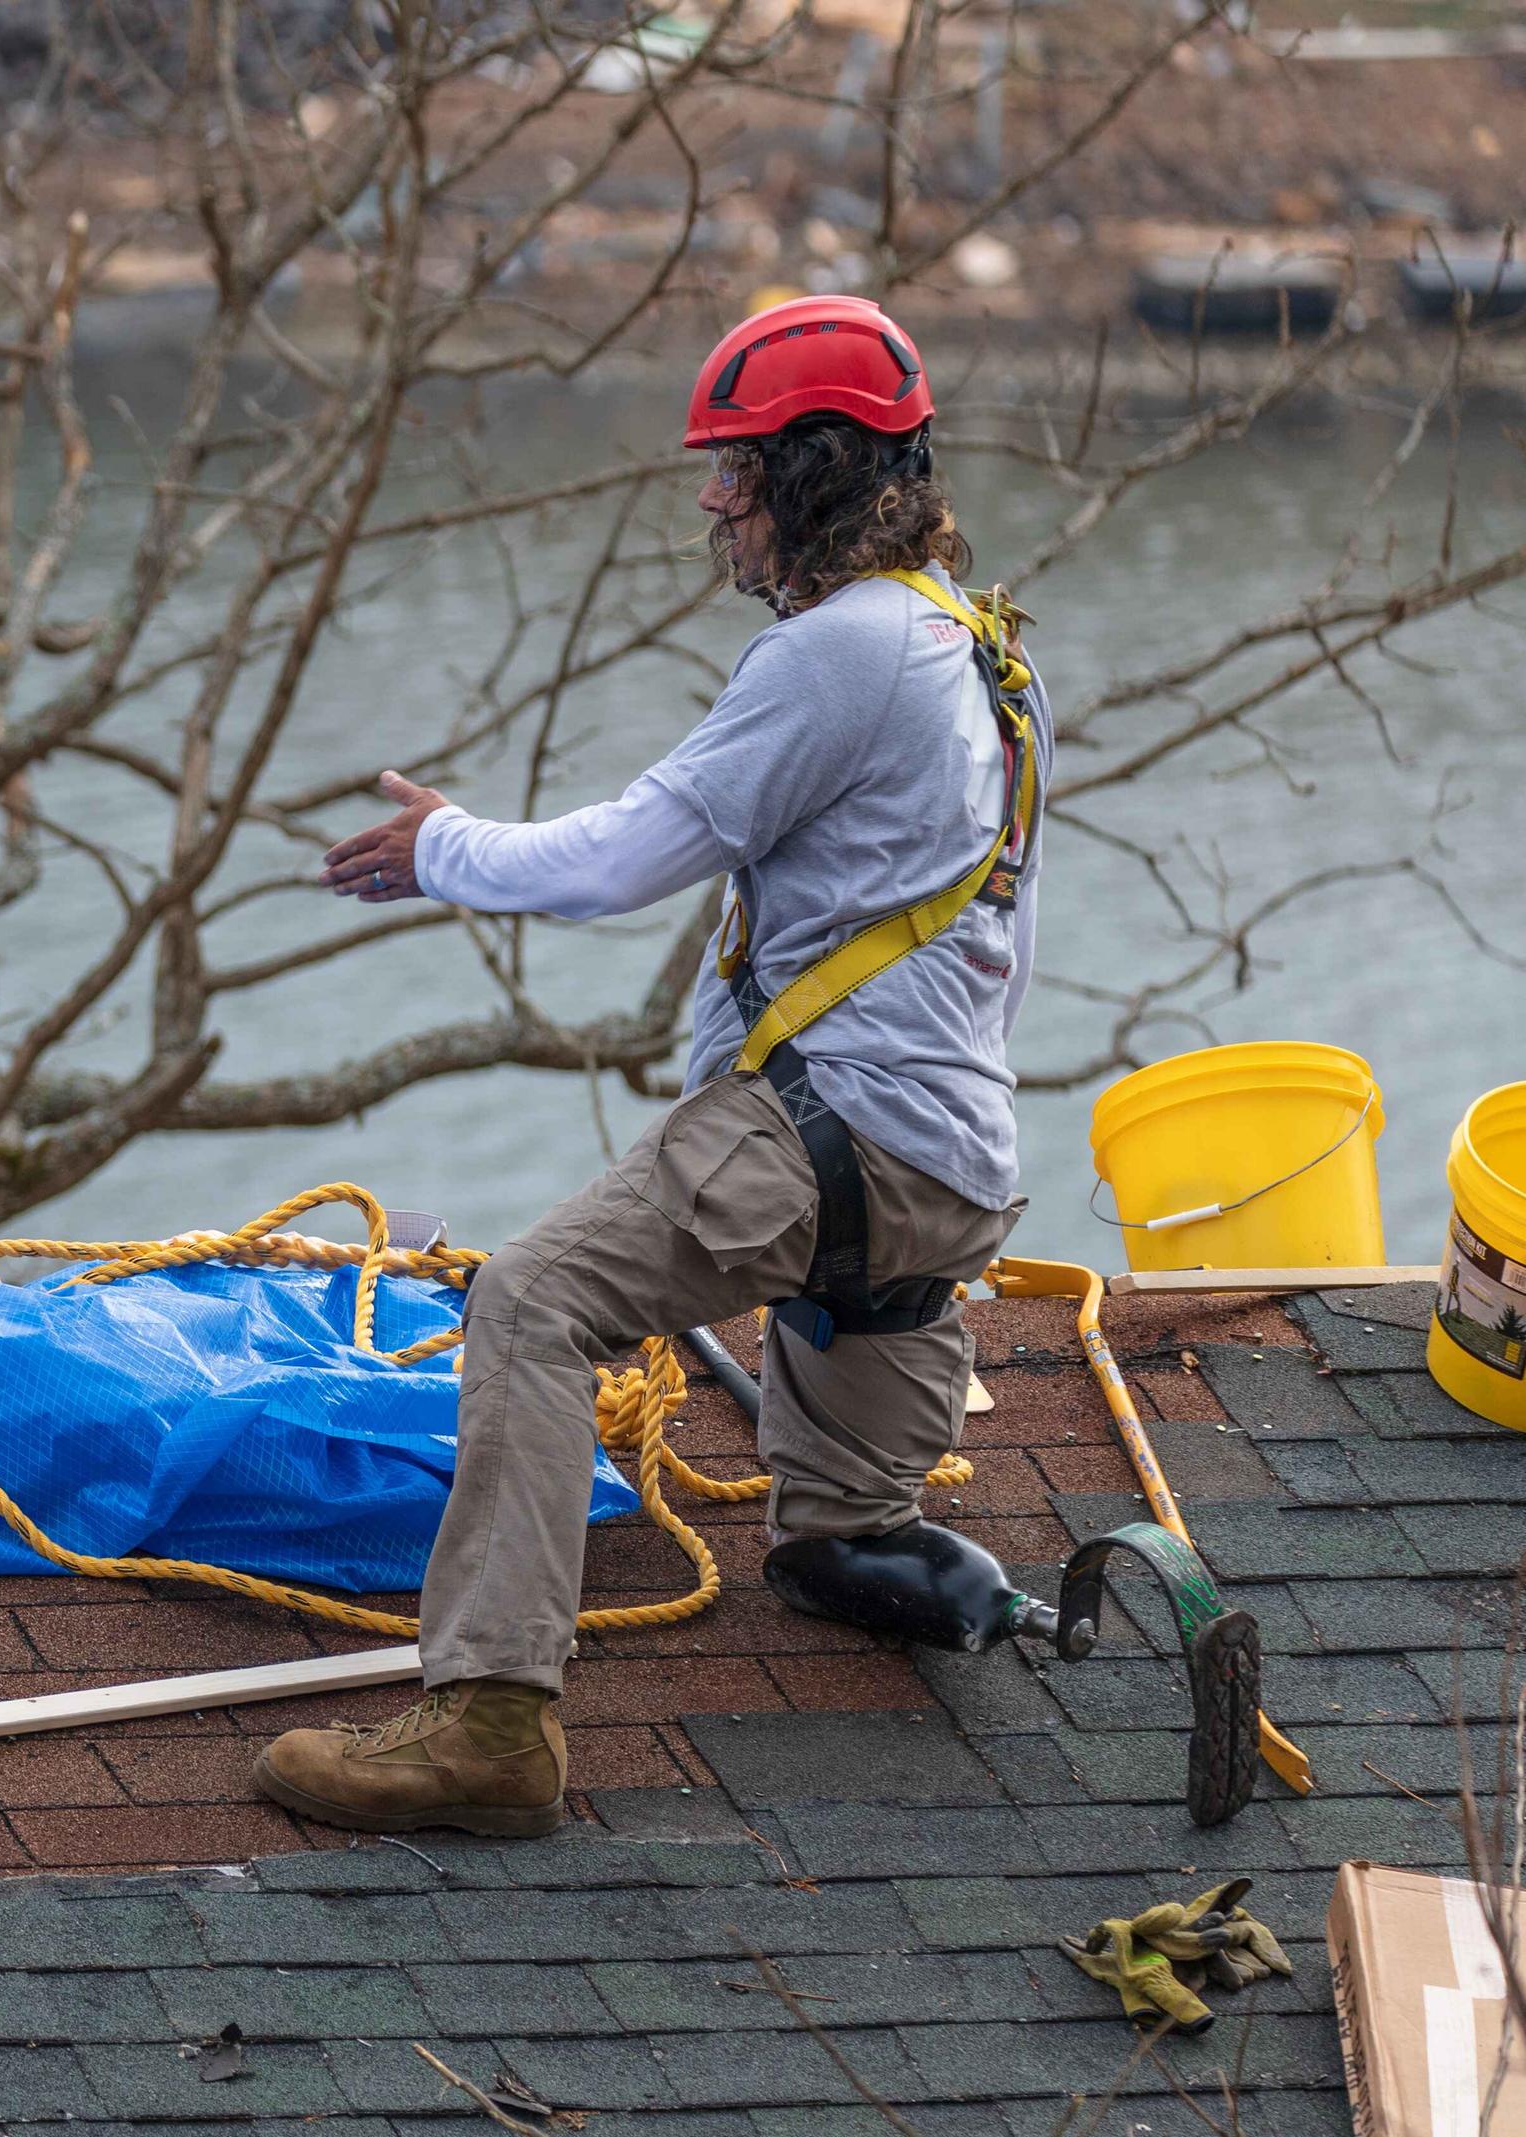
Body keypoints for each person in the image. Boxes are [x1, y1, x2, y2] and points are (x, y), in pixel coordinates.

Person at [253, 294, 1047, 1838]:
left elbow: (625, 859)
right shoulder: (984, 650)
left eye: (736, 467)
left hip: (832, 1153)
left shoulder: (844, 651)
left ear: (814, 471)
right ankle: (855, 1524)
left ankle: (487, 1726)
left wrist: (444, 848)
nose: (711, 499)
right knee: (833, 1544)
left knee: (535, 1301)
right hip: (950, 1178)